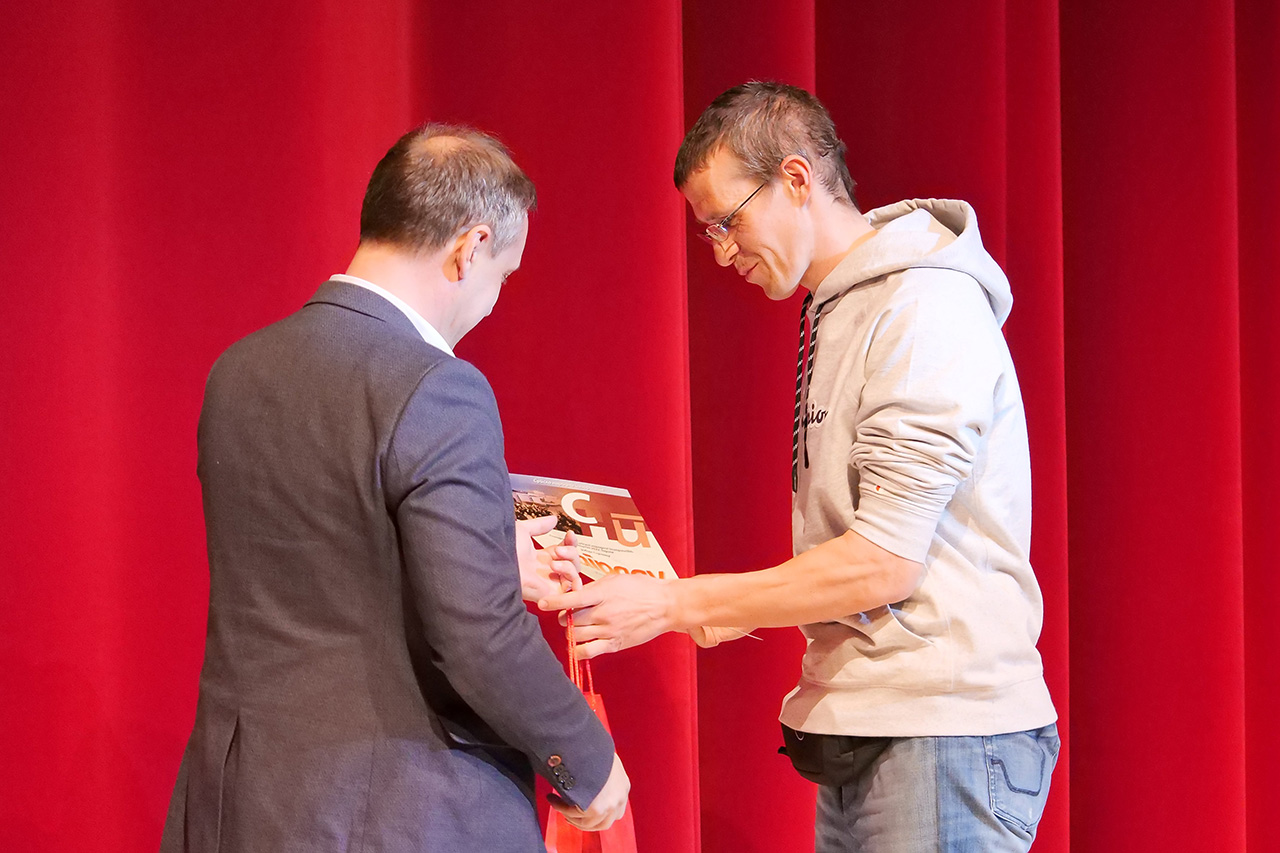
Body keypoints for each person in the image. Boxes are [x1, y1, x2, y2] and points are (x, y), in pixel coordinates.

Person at [540, 82, 1058, 851]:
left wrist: (675, 603)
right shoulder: (839, 308)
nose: (723, 251)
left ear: (794, 178)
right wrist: (662, 590)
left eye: (729, 221)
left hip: (940, 731)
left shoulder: (922, 308)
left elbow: (883, 564)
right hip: (871, 728)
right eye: (709, 232)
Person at [161, 124, 629, 853]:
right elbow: (478, 637)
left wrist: (487, 552)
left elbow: (325, 561)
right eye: (504, 275)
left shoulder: (238, 371)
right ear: (470, 248)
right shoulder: (439, 387)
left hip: (238, 804)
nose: (493, 300)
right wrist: (586, 761)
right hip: (396, 811)